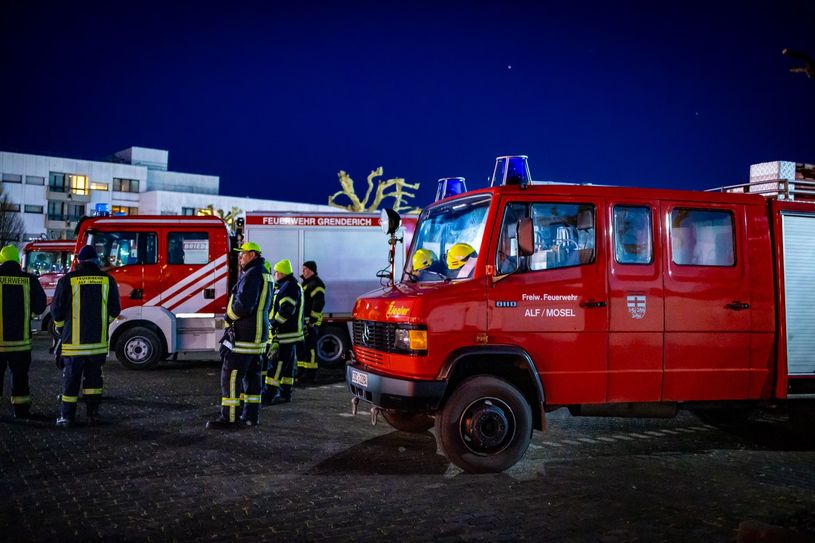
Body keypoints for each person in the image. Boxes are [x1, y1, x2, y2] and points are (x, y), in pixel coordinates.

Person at [51, 245, 121, 427]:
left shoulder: (68, 280)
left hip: (73, 344)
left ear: (80, 261)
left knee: (71, 382)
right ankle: (93, 415)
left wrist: (61, 329)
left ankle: (66, 417)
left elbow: (57, 311)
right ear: (96, 261)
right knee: (93, 382)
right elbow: (115, 310)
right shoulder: (108, 280)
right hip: (97, 344)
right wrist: (102, 324)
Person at [207, 241, 271, 429]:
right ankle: (251, 416)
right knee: (253, 379)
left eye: (242, 254)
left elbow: (244, 306)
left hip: (244, 337)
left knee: (231, 377)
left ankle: (230, 418)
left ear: (252, 254)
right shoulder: (266, 274)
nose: (240, 257)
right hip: (257, 338)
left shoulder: (252, 275)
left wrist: (229, 317)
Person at [0, 245, 47, 419]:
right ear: (18, 261)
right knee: (20, 378)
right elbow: (40, 305)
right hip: (21, 342)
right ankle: (21, 411)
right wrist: (28, 314)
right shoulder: (29, 280)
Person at [264, 259, 304, 405]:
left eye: (276, 272)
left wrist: (274, 324)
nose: (274, 275)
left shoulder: (289, 287)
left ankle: (269, 394)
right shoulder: (289, 285)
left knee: (277, 365)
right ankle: (285, 393)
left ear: (281, 273)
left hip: (284, 335)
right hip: (289, 335)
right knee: (287, 368)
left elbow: (286, 310)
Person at [297, 260, 325, 385]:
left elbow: (319, 303)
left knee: (311, 349)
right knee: (304, 349)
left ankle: (310, 376)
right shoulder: (307, 283)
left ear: (311, 270)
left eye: (305, 269)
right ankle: (302, 373)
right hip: (305, 322)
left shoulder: (316, 284)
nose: (303, 271)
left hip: (311, 324)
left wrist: (312, 322)